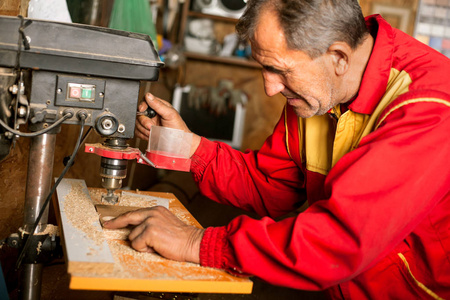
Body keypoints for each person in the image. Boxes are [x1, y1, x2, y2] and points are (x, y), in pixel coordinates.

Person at [103, 0, 450, 298]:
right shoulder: (318, 89)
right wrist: (188, 147)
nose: (271, 88)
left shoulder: (430, 104)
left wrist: (196, 243)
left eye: (279, 70)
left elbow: (338, 241)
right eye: (264, 67)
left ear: (339, 57)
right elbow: (271, 186)